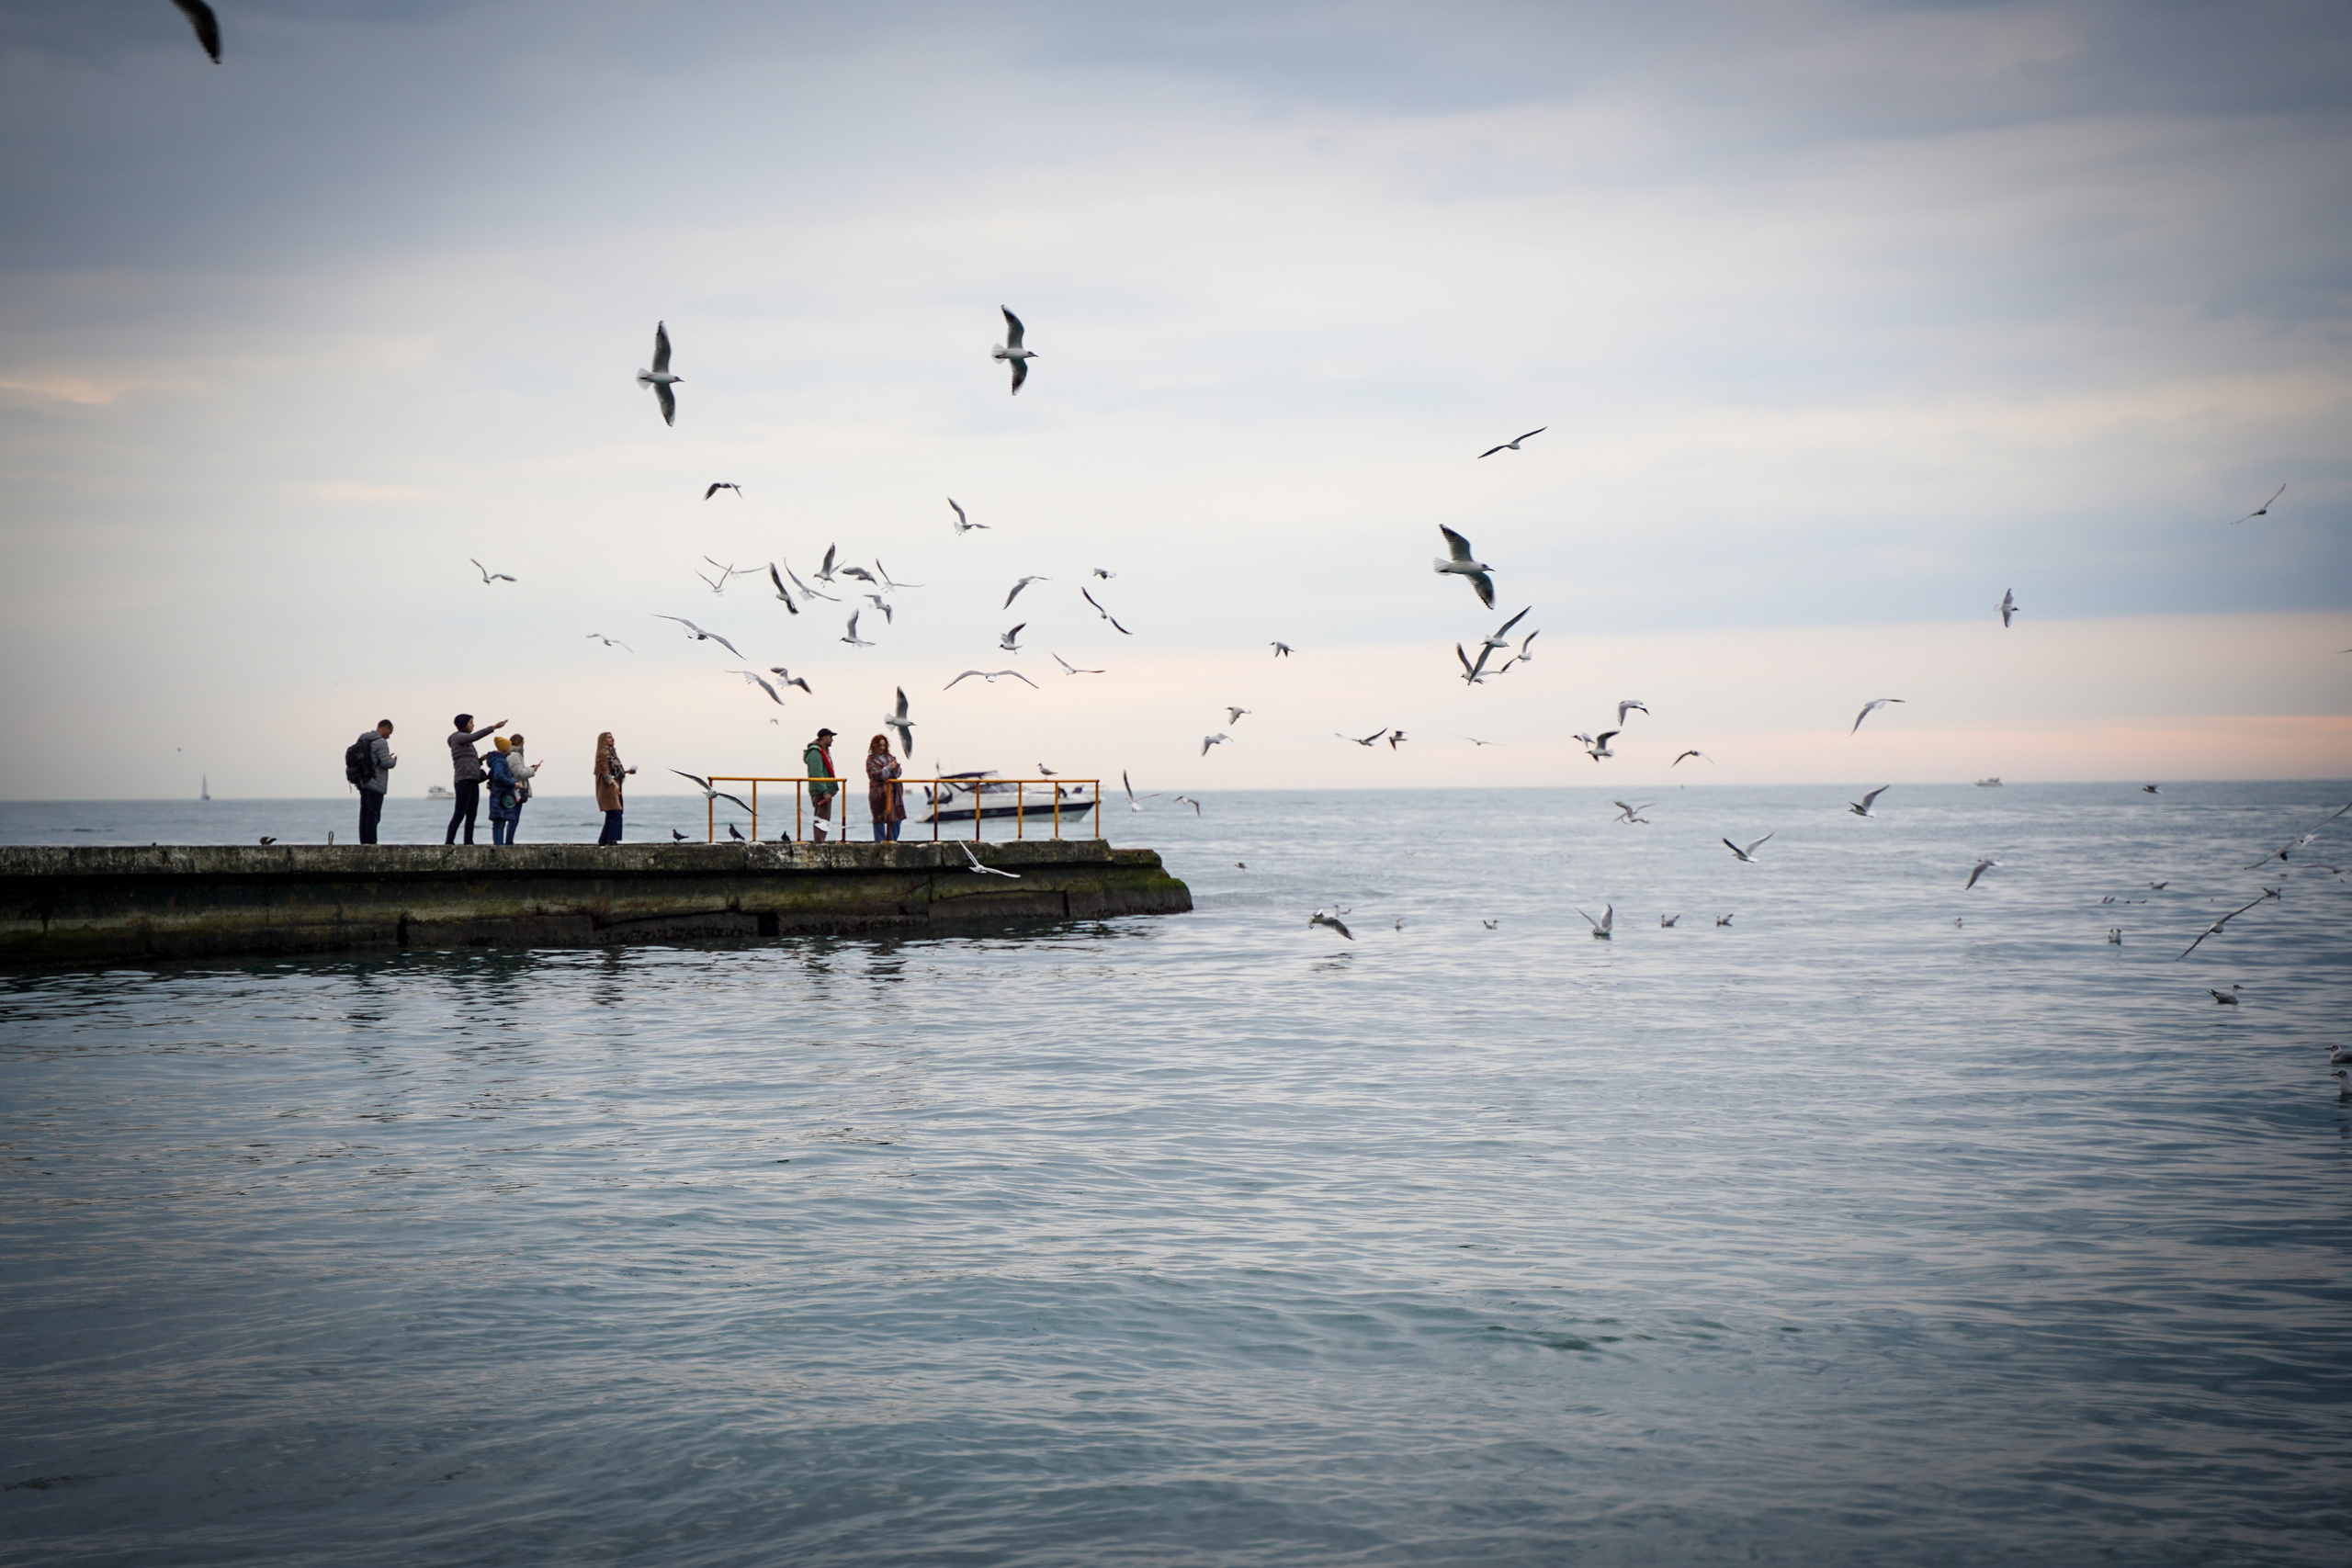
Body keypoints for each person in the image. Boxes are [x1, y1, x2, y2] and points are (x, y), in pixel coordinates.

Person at [446, 713, 505, 844]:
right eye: (471, 722)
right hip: (463, 781)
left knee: (472, 814)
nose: (473, 725)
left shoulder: (465, 743)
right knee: (460, 813)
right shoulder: (458, 738)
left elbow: (467, 761)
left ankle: (468, 841)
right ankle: (449, 842)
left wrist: (479, 760)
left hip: (473, 780)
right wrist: (493, 727)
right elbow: (474, 737)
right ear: (463, 724)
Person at [351, 720, 396, 844]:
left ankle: (364, 842)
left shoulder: (364, 739)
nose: (389, 736)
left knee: (364, 814)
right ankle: (371, 842)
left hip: (363, 782)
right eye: (389, 732)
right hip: (376, 783)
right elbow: (386, 763)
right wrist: (393, 760)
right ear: (385, 728)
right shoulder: (381, 743)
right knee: (373, 815)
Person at [594, 732, 635, 844]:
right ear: (603, 740)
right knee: (615, 813)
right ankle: (612, 840)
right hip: (608, 789)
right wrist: (613, 783)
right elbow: (604, 770)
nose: (612, 739)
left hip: (614, 788)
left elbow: (614, 770)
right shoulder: (602, 754)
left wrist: (626, 772)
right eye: (609, 737)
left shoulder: (611, 753)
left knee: (611, 815)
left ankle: (603, 841)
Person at [866, 734, 906, 841]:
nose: (882, 748)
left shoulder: (891, 758)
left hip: (894, 792)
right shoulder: (870, 760)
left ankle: (892, 840)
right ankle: (880, 842)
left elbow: (898, 773)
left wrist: (895, 769)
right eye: (880, 745)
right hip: (879, 793)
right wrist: (888, 768)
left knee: (896, 818)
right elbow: (874, 774)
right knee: (879, 818)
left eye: (884, 745)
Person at [804, 727, 839, 842]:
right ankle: (819, 842)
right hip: (820, 791)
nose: (832, 740)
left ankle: (821, 841)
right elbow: (816, 773)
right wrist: (824, 791)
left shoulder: (823, 751)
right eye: (830, 737)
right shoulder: (815, 752)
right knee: (821, 819)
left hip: (823, 790)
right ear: (824, 738)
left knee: (824, 819)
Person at [486, 736, 521, 846]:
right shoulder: (500, 761)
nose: (511, 748)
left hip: (499, 796)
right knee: (498, 823)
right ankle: (498, 846)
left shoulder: (500, 760)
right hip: (500, 797)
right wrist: (513, 783)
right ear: (505, 748)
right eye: (509, 746)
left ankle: (499, 845)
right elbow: (498, 776)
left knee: (500, 822)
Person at [505, 732, 538, 840]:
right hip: (516, 790)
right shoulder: (515, 755)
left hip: (512, 790)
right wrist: (532, 770)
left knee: (511, 818)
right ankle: (509, 842)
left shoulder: (510, 754)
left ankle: (508, 841)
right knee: (514, 819)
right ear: (519, 744)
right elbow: (519, 773)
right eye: (522, 744)